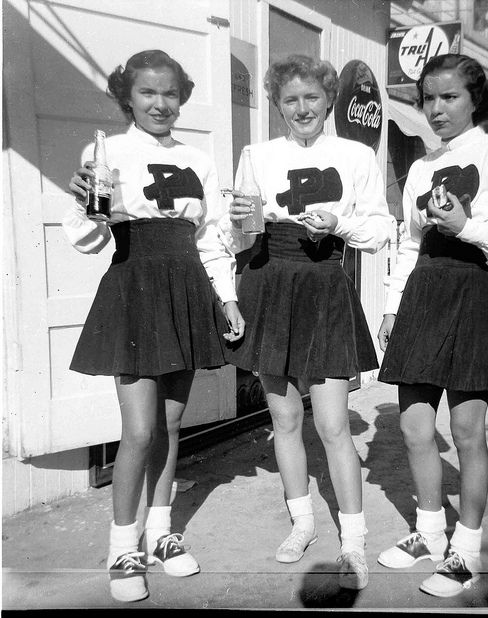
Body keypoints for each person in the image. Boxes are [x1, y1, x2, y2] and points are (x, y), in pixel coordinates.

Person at [63, 50, 244, 603]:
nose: (160, 103)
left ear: (181, 97)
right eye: (147, 93)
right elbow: (85, 235)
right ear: (128, 97)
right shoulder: (106, 152)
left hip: (185, 289)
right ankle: (123, 547)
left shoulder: (199, 158)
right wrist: (92, 208)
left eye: (170, 93)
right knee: (138, 431)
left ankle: (162, 533)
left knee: (169, 425)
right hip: (134, 287)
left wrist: (228, 301)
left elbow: (213, 238)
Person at [221, 54, 394, 590]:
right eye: (290, 100)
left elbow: (381, 228)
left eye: (312, 98)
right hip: (269, 281)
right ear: (277, 105)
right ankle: (302, 524)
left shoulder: (356, 155)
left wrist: (338, 222)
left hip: (323, 283)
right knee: (285, 421)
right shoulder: (257, 154)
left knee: (333, 425)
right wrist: (237, 225)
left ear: (329, 100)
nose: (302, 109)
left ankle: (354, 543)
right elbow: (239, 233)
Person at [376, 53, 488, 597]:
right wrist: (392, 306)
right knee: (414, 428)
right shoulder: (421, 167)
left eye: (449, 97)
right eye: (428, 98)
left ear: (474, 99)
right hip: (423, 293)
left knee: (467, 434)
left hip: (472, 293)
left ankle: (464, 551)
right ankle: (427, 532)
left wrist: (468, 226)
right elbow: (407, 242)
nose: (436, 108)